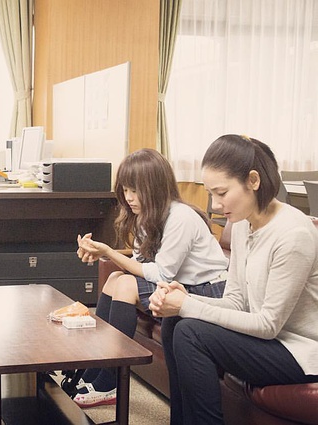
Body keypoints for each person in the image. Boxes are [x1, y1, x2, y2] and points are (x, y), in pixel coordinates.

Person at [149, 134, 318, 425]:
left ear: (253, 180)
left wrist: (187, 306)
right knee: (175, 320)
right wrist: (183, 298)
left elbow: (268, 325)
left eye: (222, 193)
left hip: (299, 352)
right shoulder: (242, 224)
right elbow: (236, 301)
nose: (215, 205)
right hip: (269, 340)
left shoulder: (293, 234)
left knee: (191, 331)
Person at [73, 148, 229, 408]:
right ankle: (96, 369)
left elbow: (162, 273)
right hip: (177, 285)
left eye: (135, 190)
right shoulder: (146, 216)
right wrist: (101, 254)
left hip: (208, 291)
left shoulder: (181, 217)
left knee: (125, 284)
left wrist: (109, 252)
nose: (129, 198)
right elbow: (140, 263)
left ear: (155, 187)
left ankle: (109, 382)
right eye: (125, 190)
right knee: (115, 279)